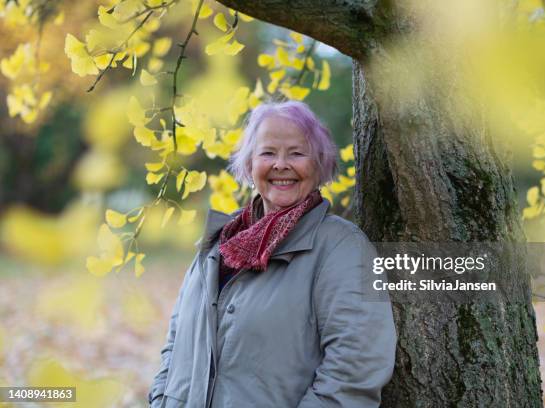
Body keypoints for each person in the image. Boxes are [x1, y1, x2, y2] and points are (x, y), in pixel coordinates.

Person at [148, 101, 397, 408]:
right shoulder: (219, 242)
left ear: (319, 165)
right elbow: (176, 343)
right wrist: (160, 400)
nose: (281, 164)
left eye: (297, 153)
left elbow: (356, 365)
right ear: (250, 165)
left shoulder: (342, 247)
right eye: (268, 153)